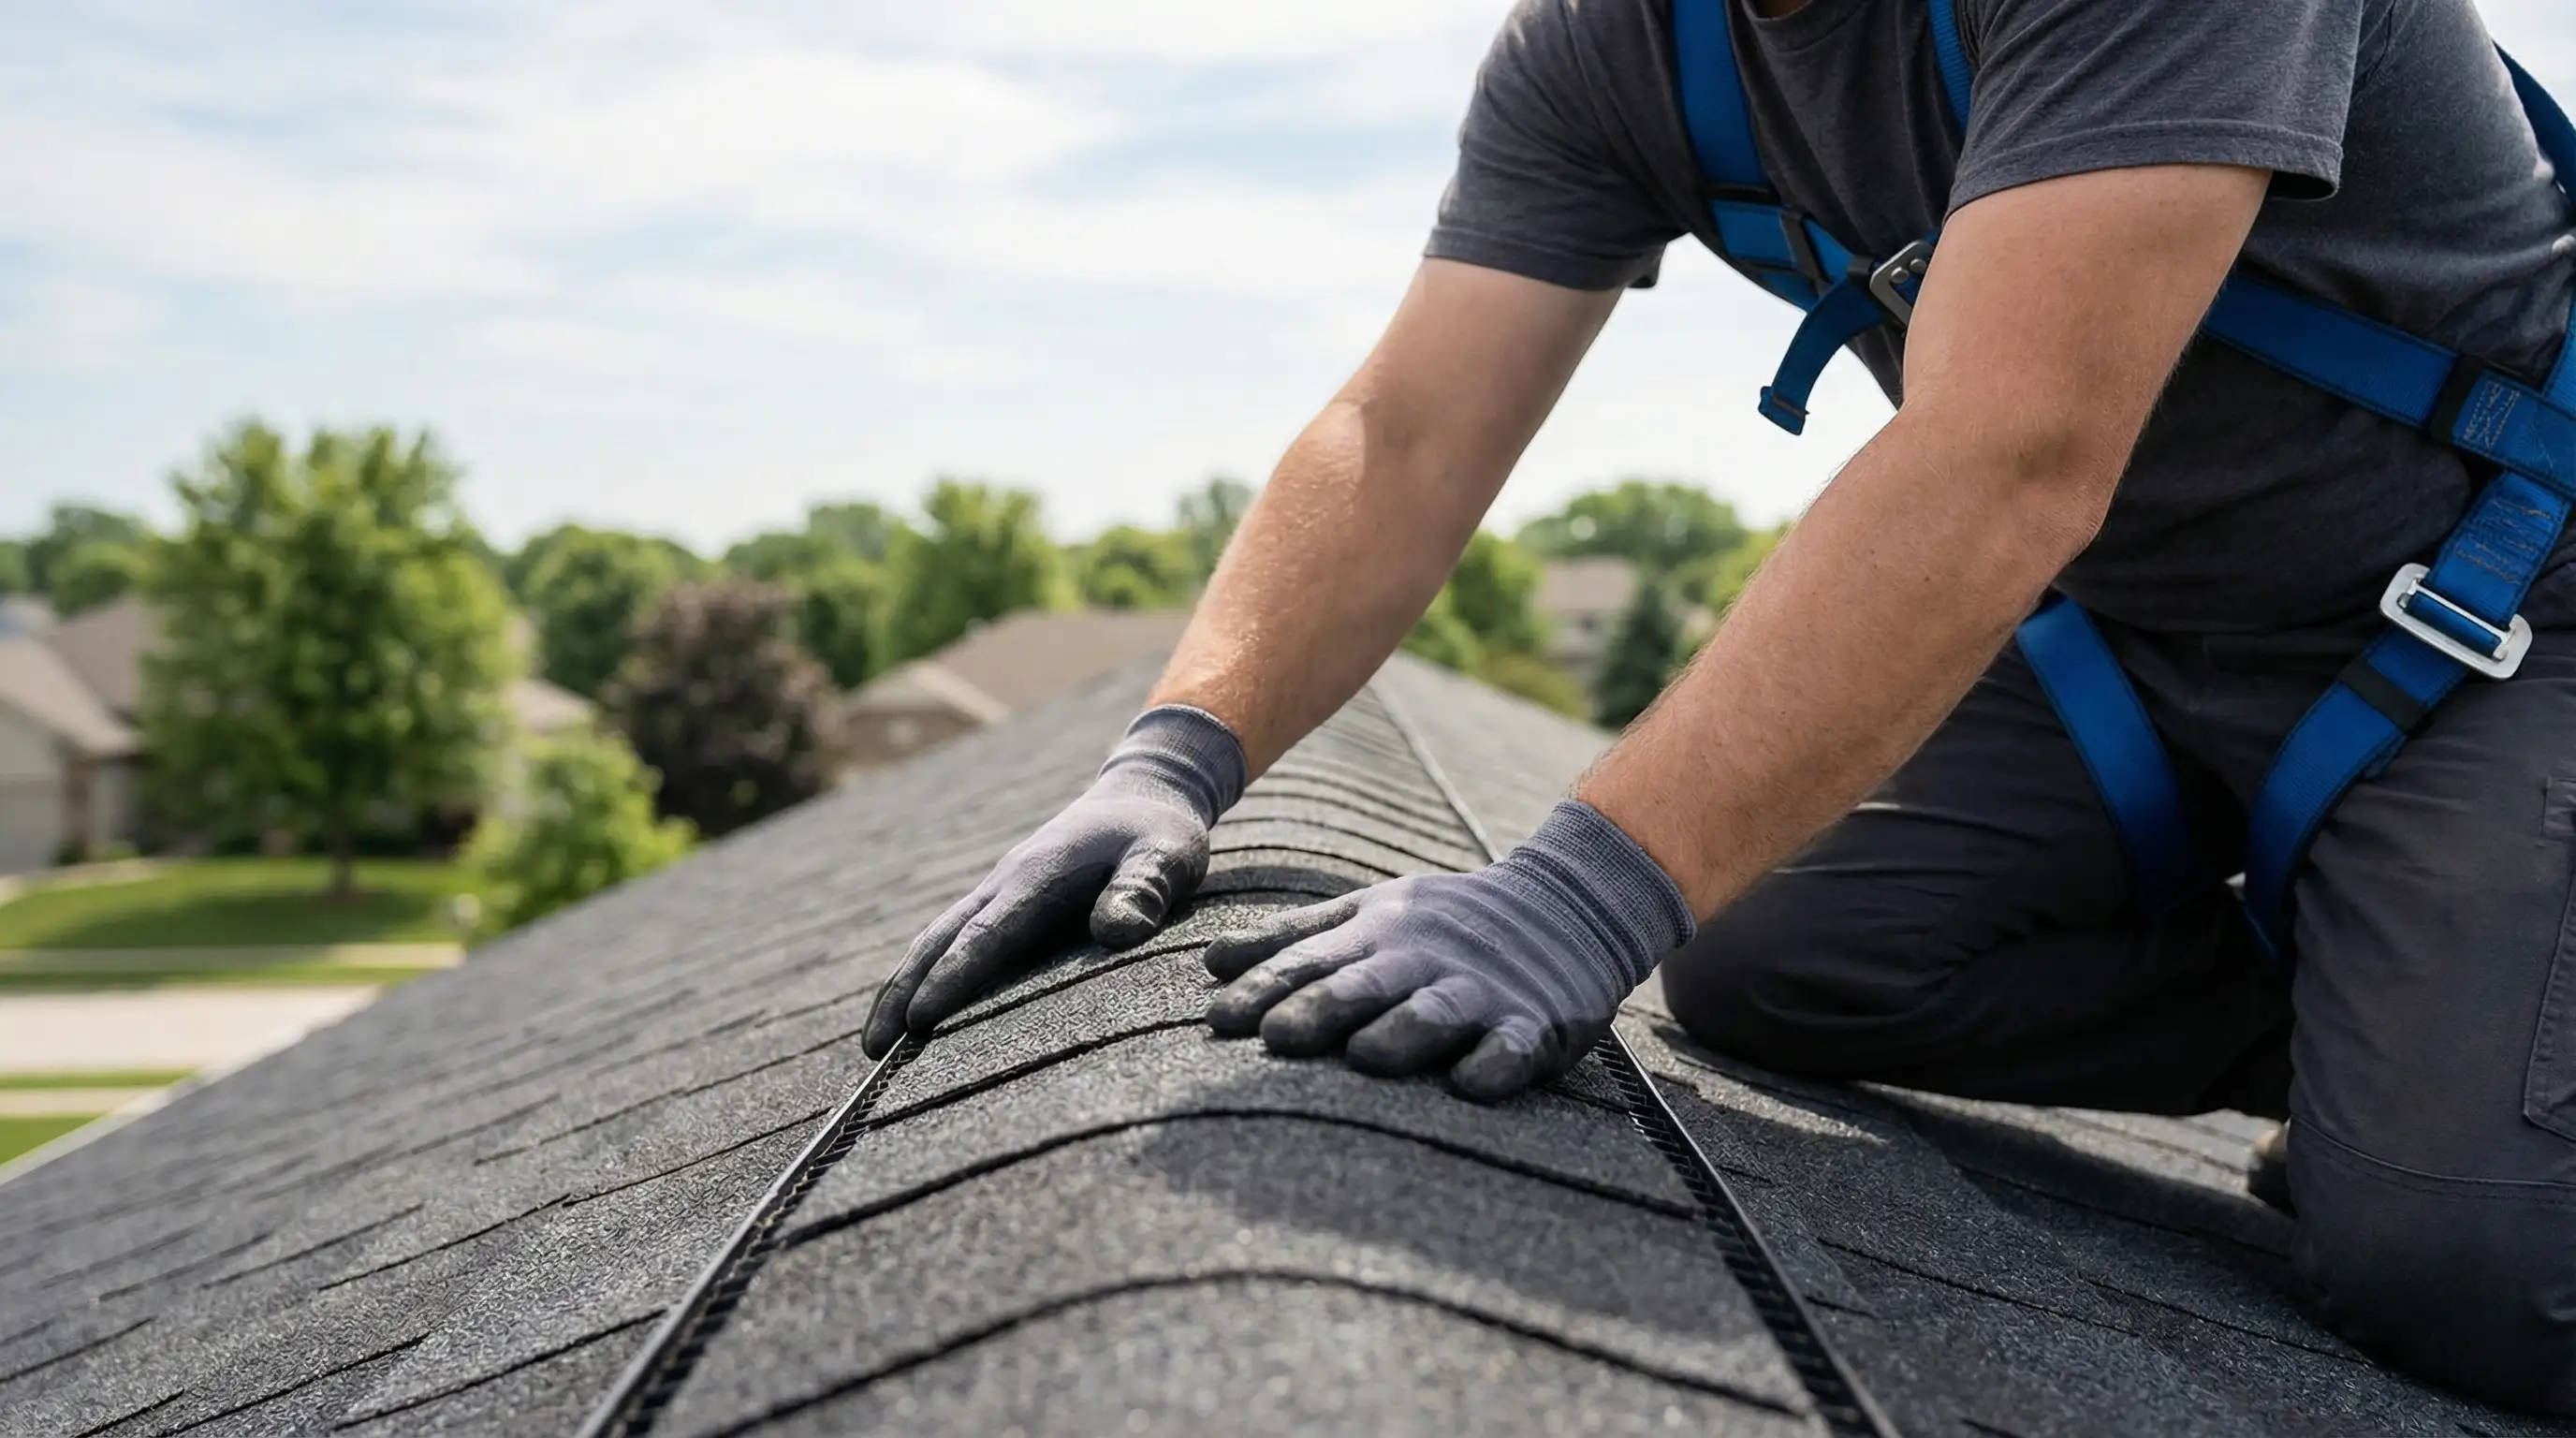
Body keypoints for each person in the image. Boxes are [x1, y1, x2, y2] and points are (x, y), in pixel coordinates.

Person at [863, 0, 2576, 1411]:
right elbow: (1410, 426)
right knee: (1779, 957)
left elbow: (2008, 458)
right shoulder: (1617, 49)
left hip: (2513, 618)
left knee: (2468, 1271)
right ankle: (2395, 1025)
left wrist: (1575, 894)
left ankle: (2458, 1065)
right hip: (2136, 634)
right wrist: (1181, 750)